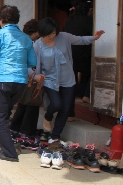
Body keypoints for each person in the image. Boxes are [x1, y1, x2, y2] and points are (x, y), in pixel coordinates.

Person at [34, 17, 104, 146]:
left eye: (54, 33)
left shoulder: (64, 37)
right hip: (49, 80)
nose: (53, 36)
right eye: (50, 34)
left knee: (66, 109)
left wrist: (94, 37)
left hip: (67, 79)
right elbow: (31, 65)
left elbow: (81, 40)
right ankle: (48, 117)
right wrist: (36, 77)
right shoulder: (37, 45)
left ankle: (55, 136)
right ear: (43, 33)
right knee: (56, 104)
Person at [0, 5, 37, 162]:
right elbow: (32, 61)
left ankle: (10, 152)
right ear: (17, 20)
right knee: (6, 111)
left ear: (1, 20)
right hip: (20, 81)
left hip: (2, 79)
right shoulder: (26, 38)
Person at [9, 19, 41, 138]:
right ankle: (27, 131)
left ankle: (16, 127)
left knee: (23, 102)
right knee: (32, 101)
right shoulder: (28, 42)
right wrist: (34, 74)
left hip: (20, 75)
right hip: (27, 74)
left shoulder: (21, 39)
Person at [64, 1, 93, 104]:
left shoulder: (69, 20)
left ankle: (74, 97)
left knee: (73, 77)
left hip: (70, 52)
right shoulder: (88, 20)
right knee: (90, 72)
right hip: (84, 53)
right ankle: (86, 95)